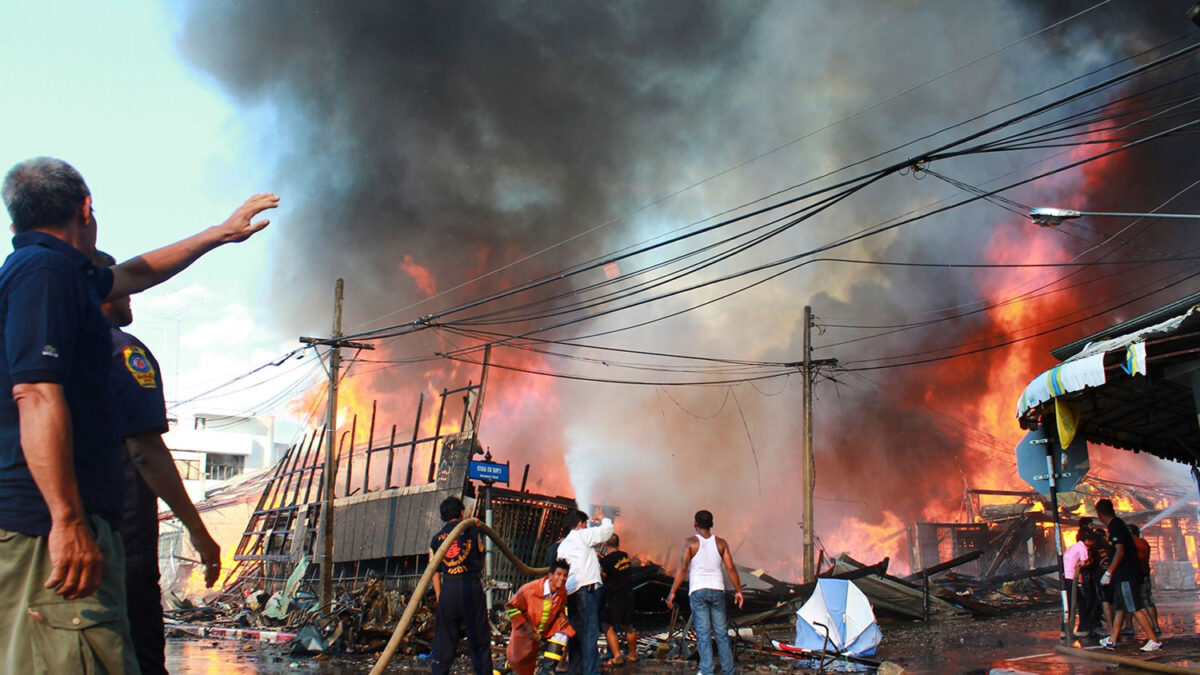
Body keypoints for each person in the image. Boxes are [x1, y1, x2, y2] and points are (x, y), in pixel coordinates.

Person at [0, 156, 277, 673]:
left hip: (49, 528)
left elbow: (133, 272)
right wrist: (67, 520)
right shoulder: (46, 273)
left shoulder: (53, 273)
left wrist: (219, 234)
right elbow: (36, 395)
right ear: (86, 210)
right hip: (49, 532)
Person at [92, 249, 222, 674]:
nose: (132, 297)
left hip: (62, 538)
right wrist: (199, 533)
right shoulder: (122, 351)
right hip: (123, 539)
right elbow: (145, 451)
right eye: (124, 287)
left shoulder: (46, 346)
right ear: (104, 289)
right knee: (140, 652)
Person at [666, 510, 744, 675]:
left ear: (695, 524)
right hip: (717, 590)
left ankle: (706, 670)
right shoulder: (721, 543)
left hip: (698, 591)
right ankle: (728, 670)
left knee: (703, 633)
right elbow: (730, 568)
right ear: (712, 524)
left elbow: (682, 568)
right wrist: (739, 591)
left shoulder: (690, 543)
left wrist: (672, 592)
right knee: (722, 633)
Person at [429, 496, 491, 675]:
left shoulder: (436, 539)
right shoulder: (472, 531)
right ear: (462, 512)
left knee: (444, 641)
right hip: (470, 586)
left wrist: (440, 595)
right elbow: (481, 561)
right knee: (479, 639)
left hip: (448, 589)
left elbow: (434, 570)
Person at [1095, 499, 1161, 652]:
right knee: (1119, 608)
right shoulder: (1116, 525)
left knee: (1134, 607)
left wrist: (1109, 572)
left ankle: (1153, 640)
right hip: (1120, 576)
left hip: (1125, 576)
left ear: (1099, 513)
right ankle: (1112, 640)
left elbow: (1120, 551)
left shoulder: (1116, 526)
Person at [557, 509, 614, 675]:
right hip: (586, 592)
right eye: (585, 524)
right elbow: (606, 532)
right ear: (580, 525)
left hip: (571, 594)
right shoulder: (580, 535)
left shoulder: (563, 545)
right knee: (590, 634)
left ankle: (575, 672)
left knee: (575, 635)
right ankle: (591, 672)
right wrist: (603, 518)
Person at [504, 560, 575, 675]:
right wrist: (526, 626)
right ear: (550, 575)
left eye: (565, 575)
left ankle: (548, 670)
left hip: (545, 629)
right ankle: (507, 666)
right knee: (521, 665)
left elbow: (562, 606)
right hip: (525, 630)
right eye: (559, 574)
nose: (562, 578)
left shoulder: (562, 591)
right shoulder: (529, 589)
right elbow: (511, 607)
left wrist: (562, 617)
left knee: (564, 630)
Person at [599, 533, 637, 668]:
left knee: (606, 625)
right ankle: (633, 655)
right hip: (628, 595)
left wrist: (600, 562)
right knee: (628, 626)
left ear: (604, 544)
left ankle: (617, 656)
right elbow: (616, 565)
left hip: (615, 597)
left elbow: (604, 575)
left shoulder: (606, 561)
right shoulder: (625, 556)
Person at [1129, 524, 1160, 633]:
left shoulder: (1131, 544)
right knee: (1148, 601)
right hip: (1145, 575)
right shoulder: (1144, 542)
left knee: (1130, 603)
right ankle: (1155, 625)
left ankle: (1129, 627)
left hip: (1134, 577)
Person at [1063, 527, 1092, 637]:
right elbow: (1083, 564)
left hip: (1066, 577)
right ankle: (1081, 629)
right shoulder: (1082, 547)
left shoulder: (1072, 547)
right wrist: (1089, 562)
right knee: (1078, 603)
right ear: (1087, 540)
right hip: (1072, 577)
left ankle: (1065, 630)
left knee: (1070, 603)